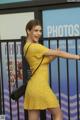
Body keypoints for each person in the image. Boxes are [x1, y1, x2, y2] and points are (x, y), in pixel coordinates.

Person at [23, 19, 80, 120]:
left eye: (40, 31)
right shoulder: (36, 47)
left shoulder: (26, 47)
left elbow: (43, 62)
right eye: (36, 30)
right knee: (58, 114)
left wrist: (54, 55)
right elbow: (60, 54)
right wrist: (77, 57)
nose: (39, 33)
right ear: (28, 30)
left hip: (32, 88)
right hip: (41, 87)